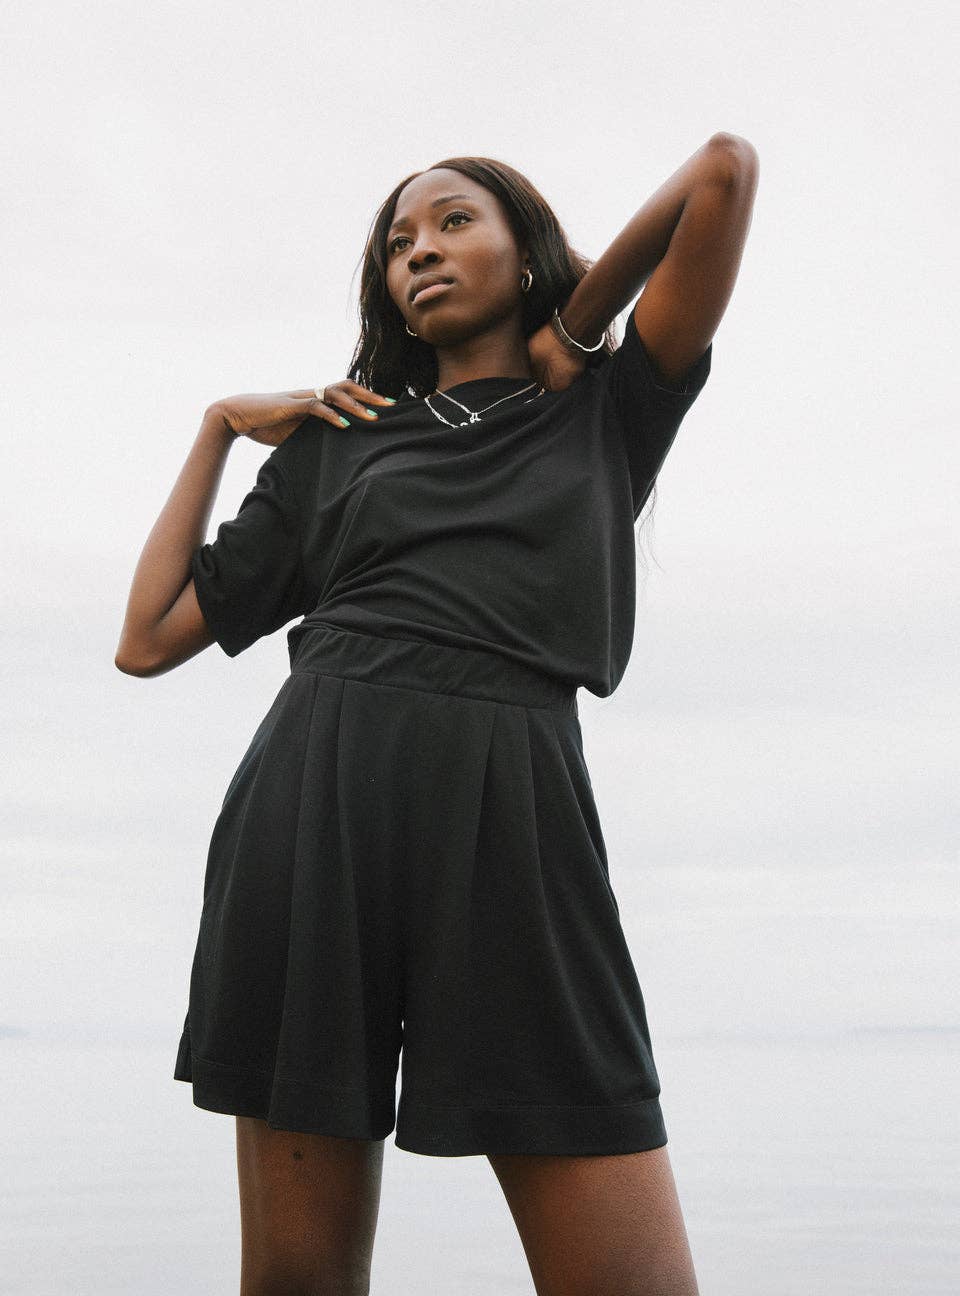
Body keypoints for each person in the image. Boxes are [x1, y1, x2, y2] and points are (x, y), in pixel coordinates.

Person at [116, 135, 759, 1296]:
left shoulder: (604, 408)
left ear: (526, 252)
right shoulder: (341, 442)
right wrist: (216, 428)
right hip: (316, 805)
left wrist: (576, 330)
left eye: (455, 222)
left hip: (517, 807)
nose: (420, 251)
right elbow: (147, 639)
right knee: (300, 1279)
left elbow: (722, 172)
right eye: (399, 243)